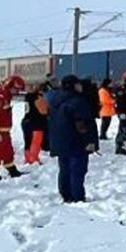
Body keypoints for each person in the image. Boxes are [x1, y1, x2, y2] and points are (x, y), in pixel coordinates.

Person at [48, 75, 99, 203]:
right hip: (76, 142)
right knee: (77, 170)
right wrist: (89, 141)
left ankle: (66, 194)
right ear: (73, 85)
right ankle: (77, 197)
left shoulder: (55, 100)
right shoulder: (77, 101)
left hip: (60, 141)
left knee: (64, 169)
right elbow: (82, 124)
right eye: (78, 84)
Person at [0, 76, 26, 181]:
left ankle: (11, 169)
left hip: (4, 131)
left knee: (7, 151)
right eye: (16, 89)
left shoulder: (6, 96)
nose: (17, 92)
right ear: (10, 85)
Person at [22, 87, 50, 164]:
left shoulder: (27, 97)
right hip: (37, 123)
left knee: (28, 141)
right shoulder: (37, 97)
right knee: (36, 142)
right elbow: (43, 111)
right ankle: (33, 159)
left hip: (26, 121)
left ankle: (27, 158)